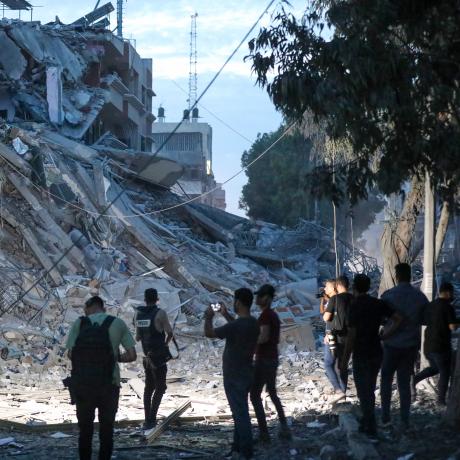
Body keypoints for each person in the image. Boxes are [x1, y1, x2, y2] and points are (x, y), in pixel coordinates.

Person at [66, 296, 137, 460]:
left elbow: (71, 353)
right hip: (110, 384)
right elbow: (132, 355)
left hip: (83, 385)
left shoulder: (80, 323)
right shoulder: (117, 323)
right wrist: (114, 358)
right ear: (102, 307)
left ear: (88, 307)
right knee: (107, 431)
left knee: (85, 431)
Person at [204, 288, 260, 460]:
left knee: (241, 414)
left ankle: (246, 452)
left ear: (238, 302)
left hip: (234, 374)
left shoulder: (237, 325)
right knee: (239, 410)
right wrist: (226, 314)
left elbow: (209, 333)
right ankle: (237, 447)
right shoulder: (252, 322)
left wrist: (208, 317)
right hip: (247, 371)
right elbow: (235, 327)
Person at [345, 274, 402, 436]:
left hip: (361, 352)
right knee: (369, 388)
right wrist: (385, 335)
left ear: (354, 287)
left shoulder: (354, 306)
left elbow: (351, 335)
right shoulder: (378, 304)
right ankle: (367, 420)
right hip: (376, 351)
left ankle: (370, 425)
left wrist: (344, 359)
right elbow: (398, 319)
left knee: (363, 390)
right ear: (369, 287)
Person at [380, 263, 428, 429]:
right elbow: (425, 320)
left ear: (397, 276)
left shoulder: (388, 295)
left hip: (390, 346)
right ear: (410, 276)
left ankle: (385, 415)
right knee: (404, 382)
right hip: (410, 347)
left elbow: (382, 319)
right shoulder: (420, 297)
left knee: (386, 380)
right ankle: (404, 419)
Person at [249, 284, 291, 444]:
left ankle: (264, 434)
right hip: (271, 358)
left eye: (259, 296)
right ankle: (284, 427)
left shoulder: (266, 315)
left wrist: (249, 342)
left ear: (266, 298)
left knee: (254, 395)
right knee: (272, 393)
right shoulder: (271, 314)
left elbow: (264, 337)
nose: (256, 298)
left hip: (265, 359)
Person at [135, 288, 174, 430]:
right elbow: (170, 333)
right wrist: (164, 345)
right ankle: (151, 419)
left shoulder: (138, 314)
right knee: (161, 387)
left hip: (146, 357)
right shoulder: (160, 313)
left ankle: (148, 420)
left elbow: (138, 337)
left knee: (149, 387)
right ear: (157, 299)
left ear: (145, 299)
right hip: (158, 357)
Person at [414, 282, 458, 405]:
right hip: (441, 345)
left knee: (434, 368)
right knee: (445, 372)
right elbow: (453, 327)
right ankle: (441, 400)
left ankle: (414, 379)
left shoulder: (431, 305)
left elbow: (423, 321)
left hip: (428, 345)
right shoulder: (447, 307)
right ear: (448, 293)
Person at [323, 275, 353, 402]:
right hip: (350, 337)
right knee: (342, 366)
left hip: (335, 336)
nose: (325, 289)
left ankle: (338, 390)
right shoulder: (354, 299)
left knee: (328, 363)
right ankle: (343, 392)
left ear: (337, 286)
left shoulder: (335, 299)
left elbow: (326, 318)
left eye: (327, 286)